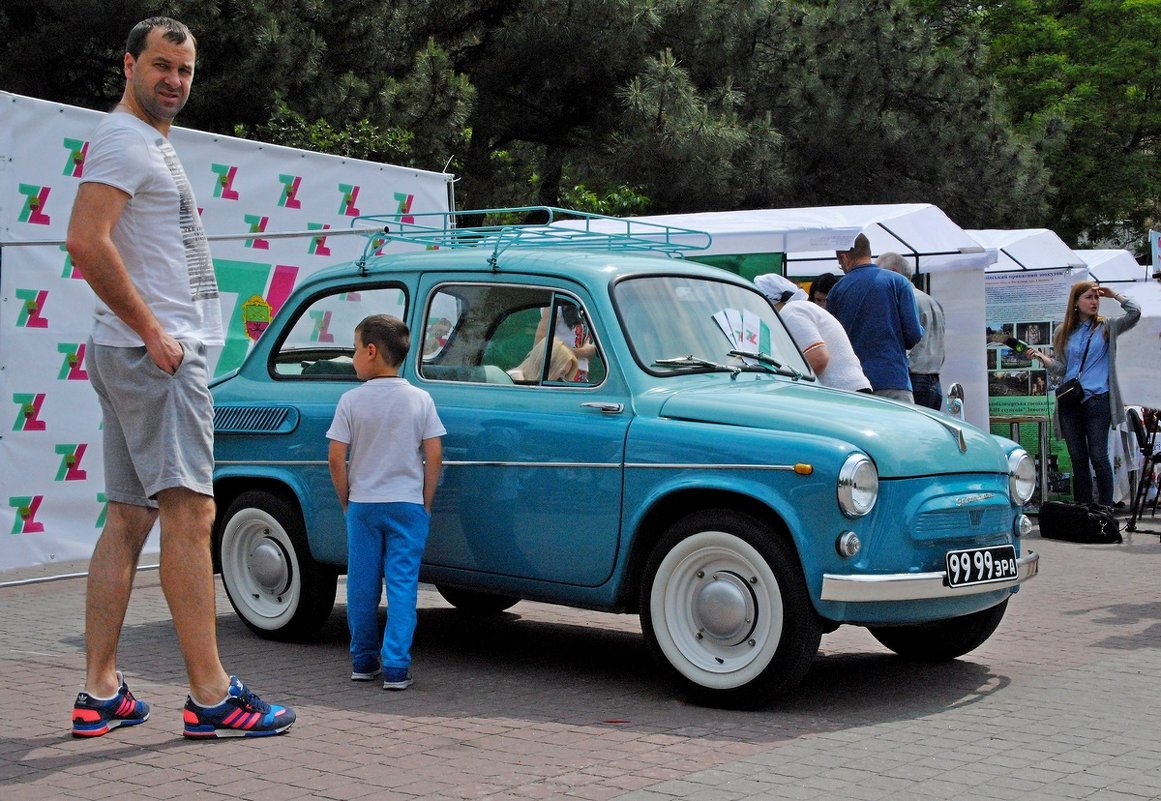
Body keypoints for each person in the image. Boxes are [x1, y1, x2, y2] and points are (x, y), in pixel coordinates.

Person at [65, 17, 295, 739]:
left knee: (131, 517)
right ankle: (211, 695)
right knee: (191, 518)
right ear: (128, 62)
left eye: (185, 70)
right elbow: (83, 240)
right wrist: (153, 332)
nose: (174, 80)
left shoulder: (145, 142)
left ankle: (101, 690)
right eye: (161, 65)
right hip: (154, 357)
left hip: (135, 353)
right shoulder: (125, 139)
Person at [327, 315, 445, 690]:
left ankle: (363, 660)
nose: (354, 357)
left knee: (361, 584)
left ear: (372, 351)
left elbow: (335, 457)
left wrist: (346, 498)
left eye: (356, 349)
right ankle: (396, 666)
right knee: (403, 586)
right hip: (407, 506)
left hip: (363, 505)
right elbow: (434, 455)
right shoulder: (420, 399)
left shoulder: (351, 401)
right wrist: (425, 502)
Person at [1027, 282, 1140, 508]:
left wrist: (1114, 295)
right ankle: (1083, 509)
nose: (1094, 302)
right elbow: (1062, 368)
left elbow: (1135, 312)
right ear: (1076, 302)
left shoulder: (1107, 326)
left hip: (1098, 399)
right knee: (1078, 459)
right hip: (1071, 401)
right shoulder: (1063, 331)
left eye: (1096, 298)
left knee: (1098, 456)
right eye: (1089, 297)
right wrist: (1042, 358)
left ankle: (1105, 509)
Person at [825, 234, 924, 403]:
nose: (841, 267)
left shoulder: (837, 290)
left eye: (840, 263)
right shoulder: (899, 283)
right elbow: (913, 335)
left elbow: (831, 340)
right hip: (893, 379)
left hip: (853, 383)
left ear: (845, 257)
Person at [754, 273, 872, 393]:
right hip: (847, 390)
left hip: (842, 392)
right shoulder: (801, 309)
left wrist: (783, 384)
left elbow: (818, 357)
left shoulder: (791, 310)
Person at [877, 252, 946, 410]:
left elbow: (908, 341)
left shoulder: (904, 299)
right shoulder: (932, 301)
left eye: (880, 273)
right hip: (934, 382)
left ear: (894, 272)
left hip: (914, 380)